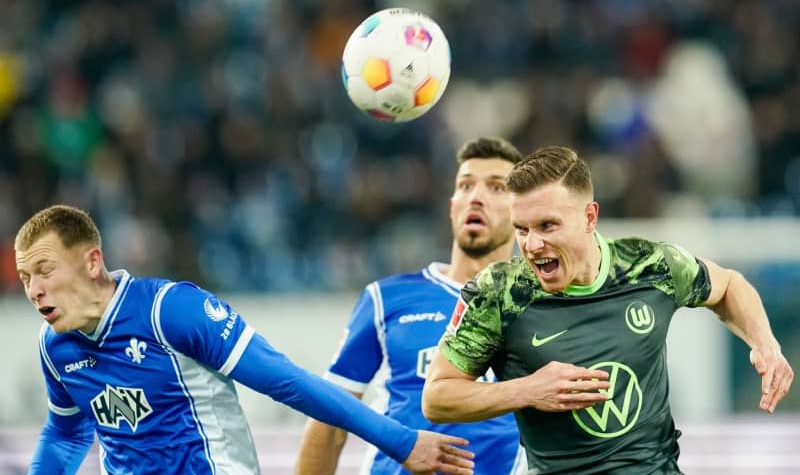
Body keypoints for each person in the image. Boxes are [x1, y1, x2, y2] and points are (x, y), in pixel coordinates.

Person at [15, 205, 476, 475]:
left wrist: (400, 441)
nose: (33, 290)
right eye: (24, 277)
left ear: (92, 262)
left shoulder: (170, 311)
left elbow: (287, 382)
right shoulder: (55, 346)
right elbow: (66, 432)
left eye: (45, 271)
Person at [421, 145, 795, 474]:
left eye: (548, 226)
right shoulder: (500, 293)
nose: (532, 244)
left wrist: (765, 344)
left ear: (589, 217)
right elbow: (437, 397)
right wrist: (528, 390)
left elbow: (728, 285)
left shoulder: (648, 266)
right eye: (521, 229)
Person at [295, 137, 527, 475]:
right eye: (465, 185)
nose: (475, 196)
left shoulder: (540, 306)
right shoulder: (386, 299)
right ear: (452, 205)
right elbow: (329, 423)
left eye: (496, 187)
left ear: (521, 211)